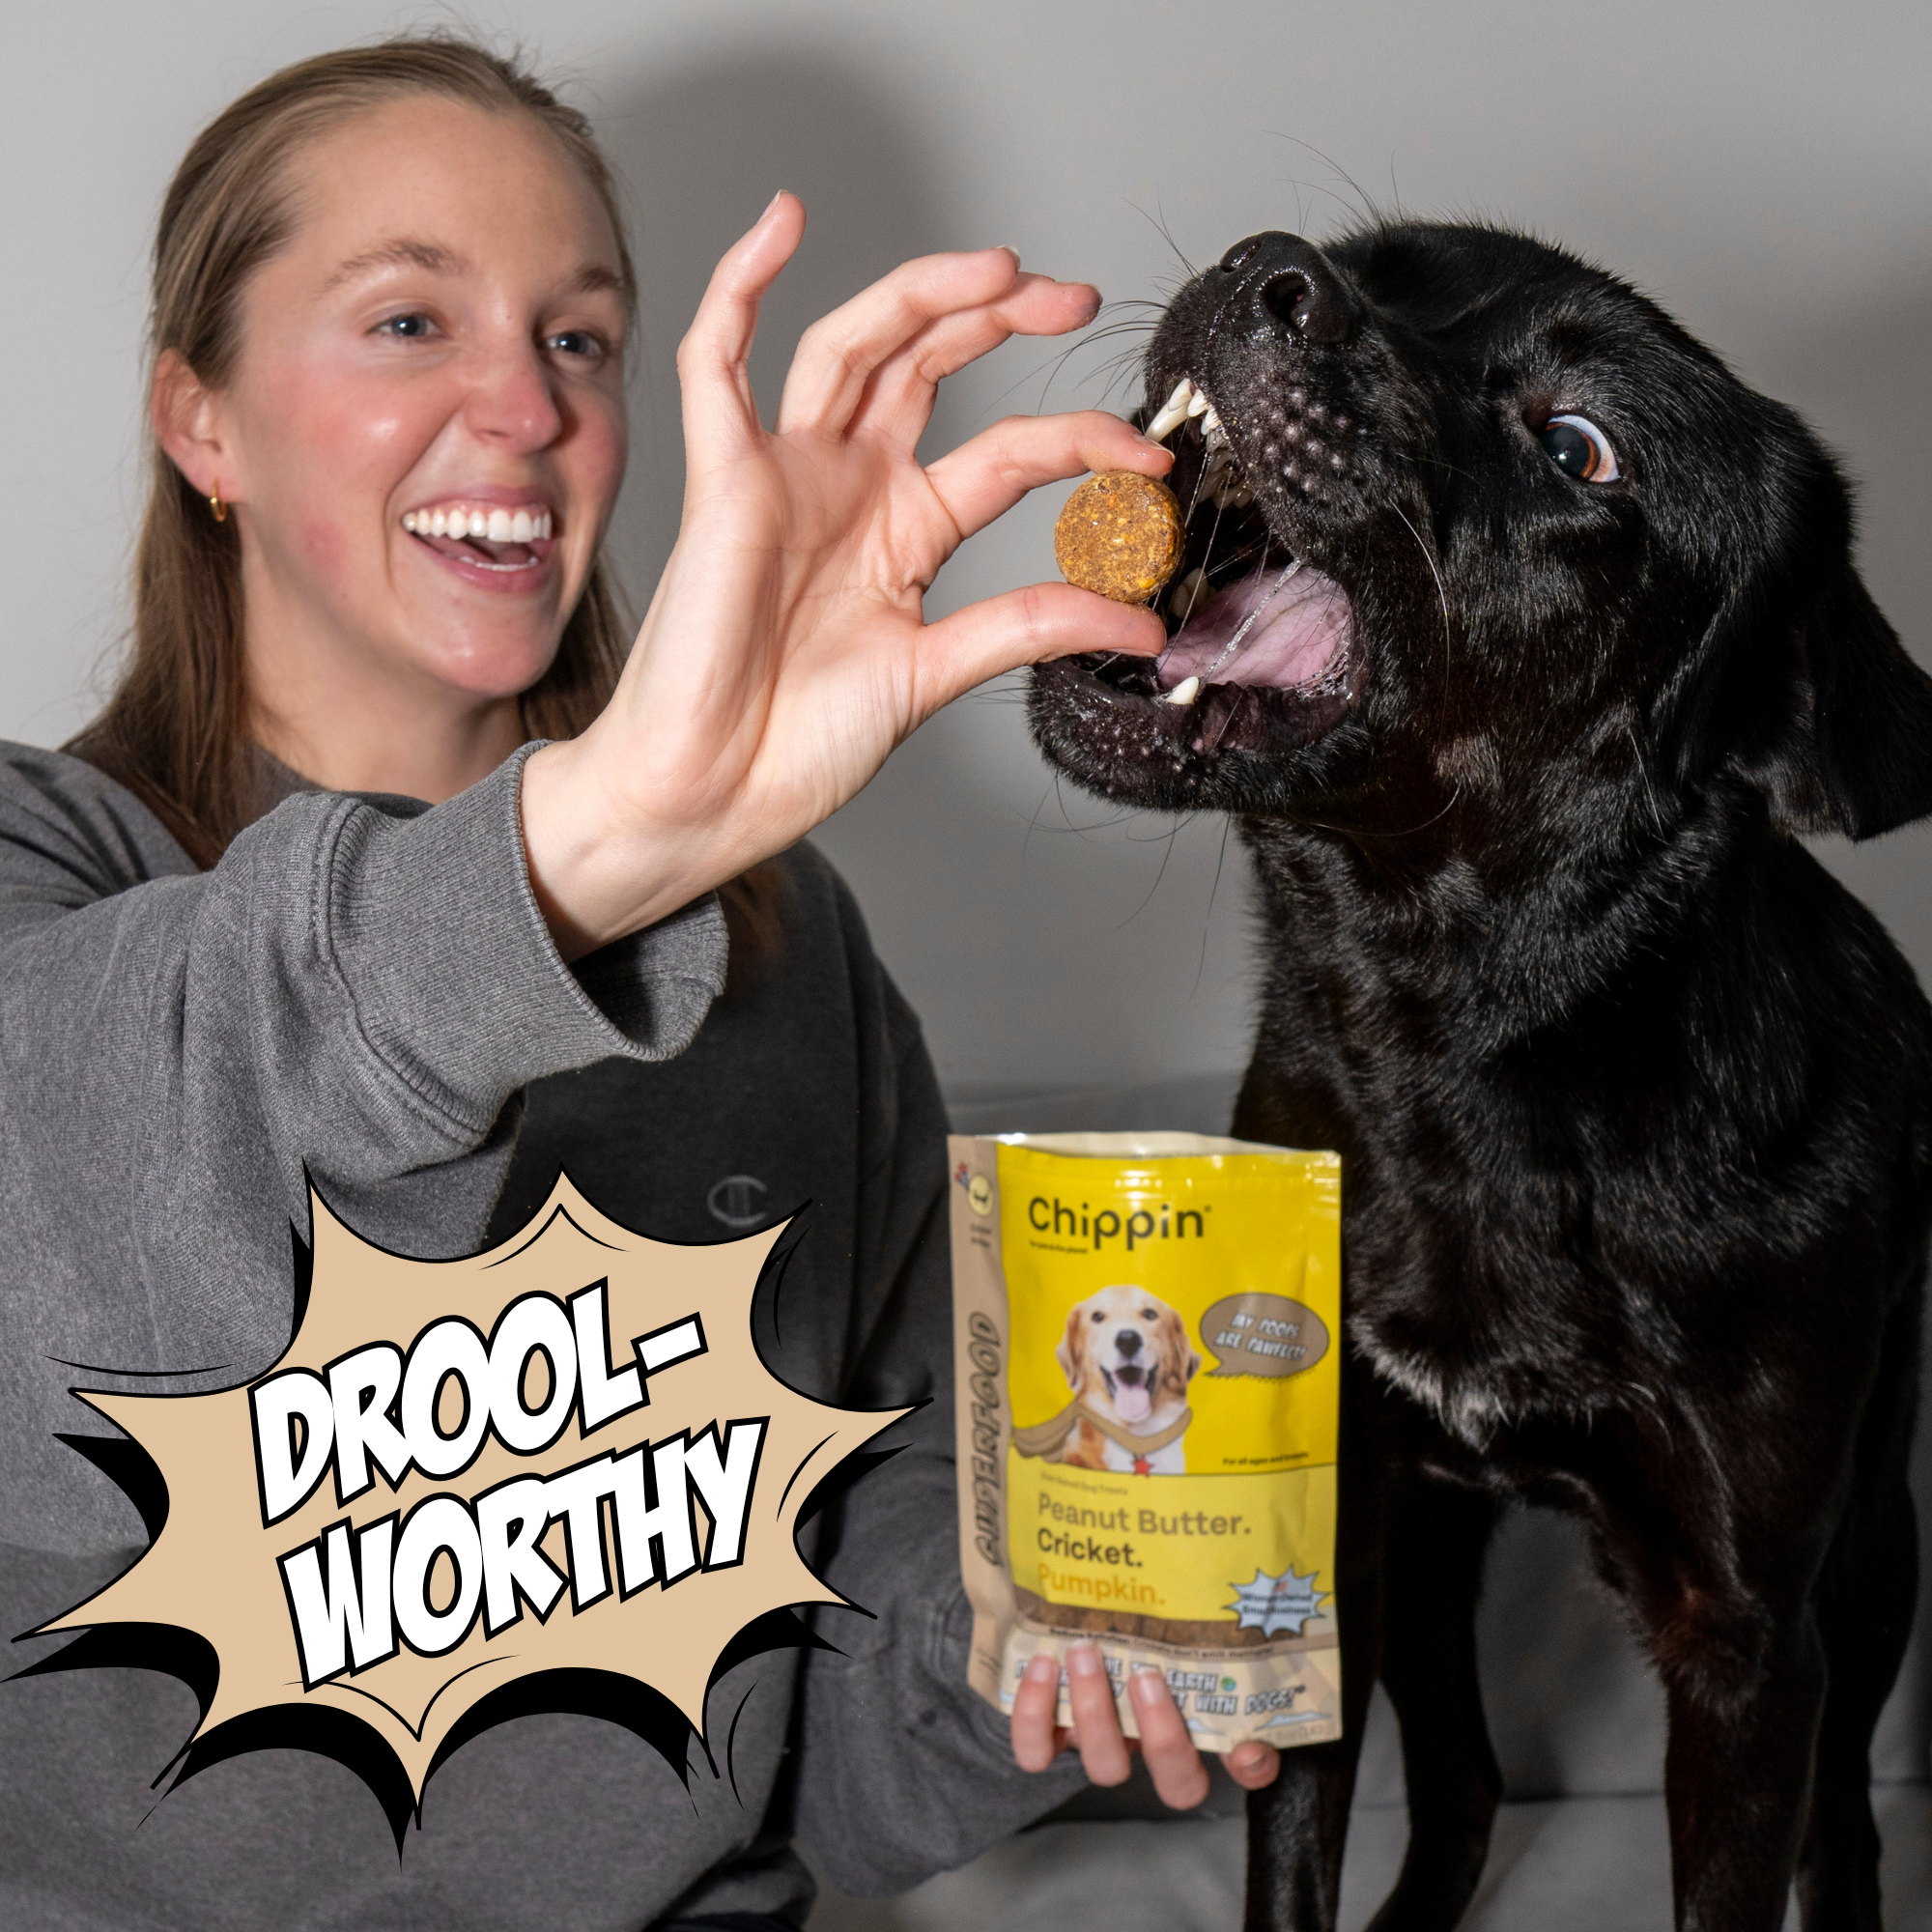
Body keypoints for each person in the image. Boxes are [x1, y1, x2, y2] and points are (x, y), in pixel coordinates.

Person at [0, 35, 1275, 1930]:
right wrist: (582, 846)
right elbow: (95, 1205)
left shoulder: (781, 942)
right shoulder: (49, 868)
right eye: (411, 320)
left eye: (578, 338)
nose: (522, 405)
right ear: (204, 423)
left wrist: (1020, 1660)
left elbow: (830, 1655)